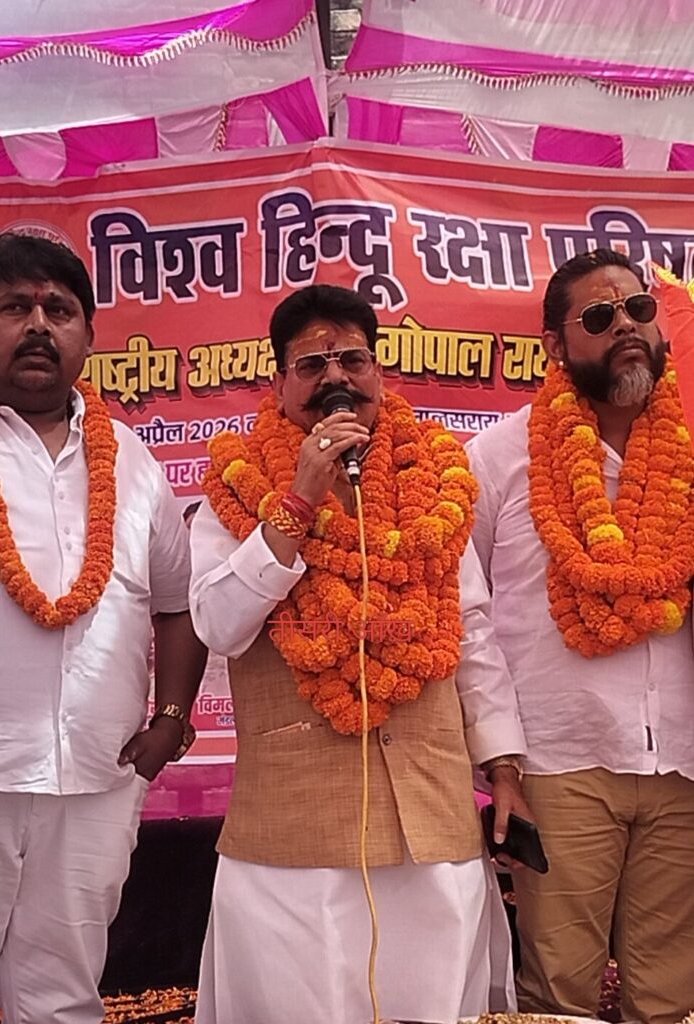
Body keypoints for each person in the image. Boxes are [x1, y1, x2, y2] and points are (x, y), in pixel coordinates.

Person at [189, 283, 529, 1024]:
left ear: (378, 372)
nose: (335, 378)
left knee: (434, 1003)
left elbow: (471, 632)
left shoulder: (437, 482)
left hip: (430, 819)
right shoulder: (236, 487)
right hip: (294, 831)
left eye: (352, 360)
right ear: (279, 383)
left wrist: (503, 767)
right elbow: (218, 624)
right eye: (311, 365)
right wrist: (298, 500)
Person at [0, 232, 207, 1024]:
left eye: (59, 310)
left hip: (97, 781)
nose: (39, 325)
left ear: (88, 336)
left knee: (63, 1000)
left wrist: (171, 719)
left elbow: (176, 603)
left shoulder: (133, 461)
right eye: (15, 307)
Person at [466, 248, 694, 1024]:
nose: (625, 326)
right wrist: (501, 763)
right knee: (557, 996)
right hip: (559, 762)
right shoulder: (497, 458)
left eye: (637, 310)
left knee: (671, 1000)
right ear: (555, 345)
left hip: (682, 762)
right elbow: (467, 622)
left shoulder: (690, 450)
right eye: (600, 316)